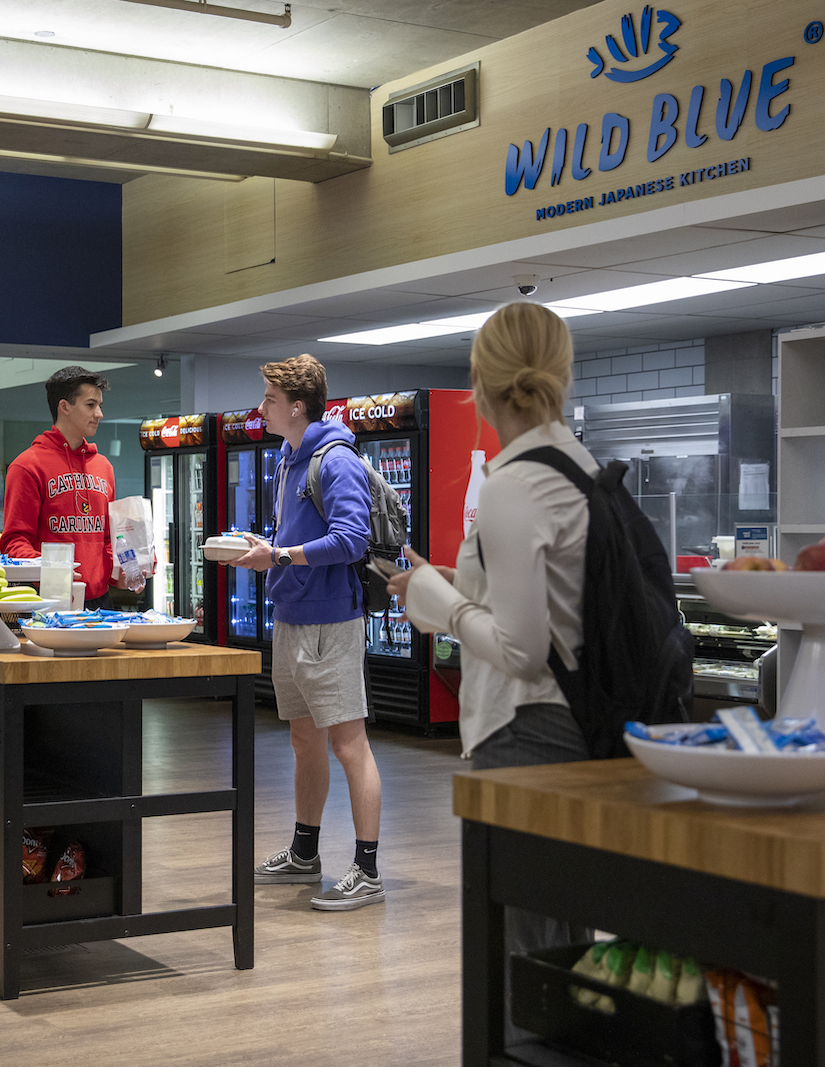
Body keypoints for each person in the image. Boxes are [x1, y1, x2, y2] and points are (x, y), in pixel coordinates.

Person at [386, 301, 592, 1040]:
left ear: (476, 377)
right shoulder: (580, 466)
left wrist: (440, 603)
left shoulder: (512, 482)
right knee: (567, 949)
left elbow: (520, 648)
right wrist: (449, 584)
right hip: (578, 731)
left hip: (521, 732)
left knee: (523, 963)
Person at [226, 354, 385, 911]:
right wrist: (268, 549)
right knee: (303, 741)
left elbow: (352, 540)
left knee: (349, 745)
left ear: (297, 406)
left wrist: (282, 555)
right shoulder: (289, 457)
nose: (261, 407)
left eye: (269, 399)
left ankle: (367, 871)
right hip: (292, 620)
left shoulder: (334, 459)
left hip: (331, 622)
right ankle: (305, 852)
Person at [1, 365, 126, 609]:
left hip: (101, 601)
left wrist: (124, 569)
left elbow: (108, 539)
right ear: (64, 407)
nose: (99, 413)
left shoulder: (103, 467)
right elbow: (14, 542)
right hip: (47, 599)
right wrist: (51, 571)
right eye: (90, 405)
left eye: (100, 405)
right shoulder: (27, 466)